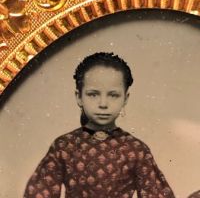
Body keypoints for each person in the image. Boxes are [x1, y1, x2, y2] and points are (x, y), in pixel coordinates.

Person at [23, 52, 175, 198]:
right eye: (93, 94)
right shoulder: (64, 146)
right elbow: (39, 193)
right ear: (79, 97)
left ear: (125, 98)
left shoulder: (135, 149)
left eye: (113, 95)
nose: (103, 104)